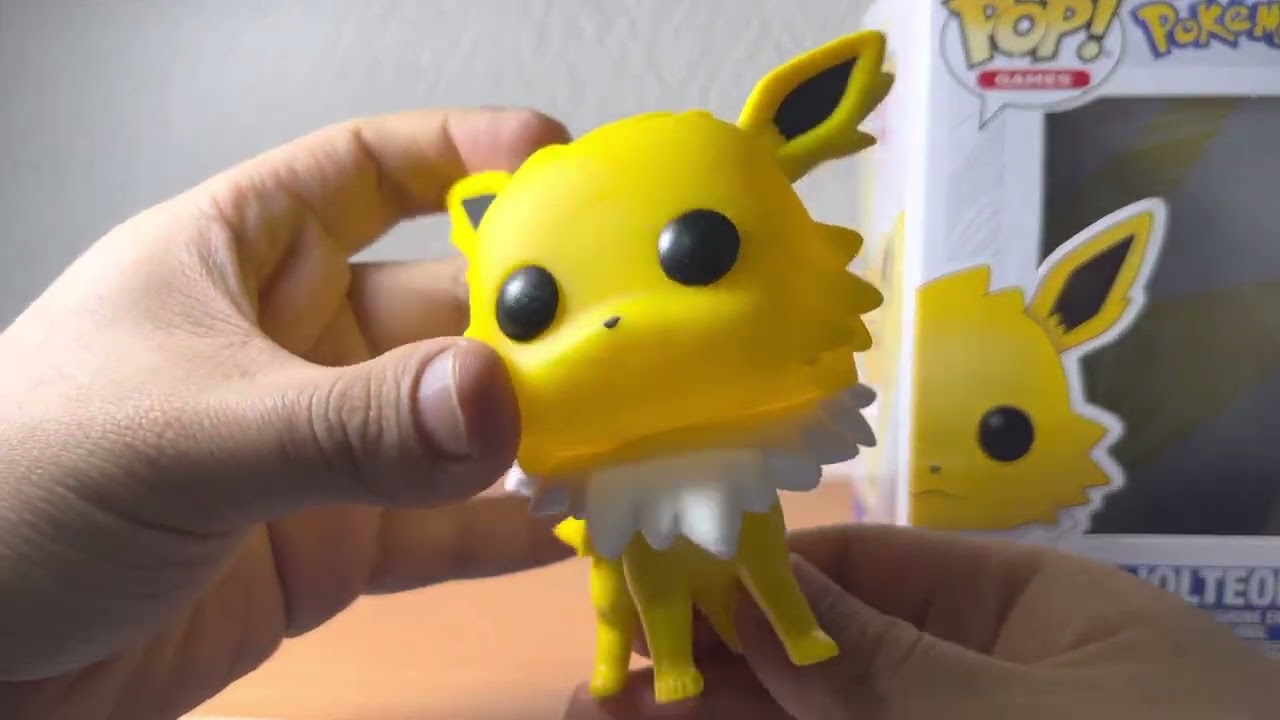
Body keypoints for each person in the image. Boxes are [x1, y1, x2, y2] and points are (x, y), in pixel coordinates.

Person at [0, 107, 1271, 720]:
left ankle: (773, 627)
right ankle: (633, 661)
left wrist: (828, 641)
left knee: (766, 570)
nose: (614, 329)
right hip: (609, 506)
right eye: (533, 303)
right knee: (629, 598)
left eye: (698, 253)